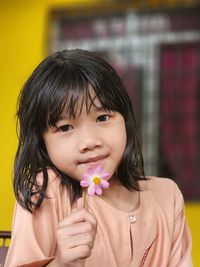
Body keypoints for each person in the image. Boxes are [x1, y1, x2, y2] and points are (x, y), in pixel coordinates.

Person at [5, 49, 193, 267]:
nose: (90, 141)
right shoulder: (45, 192)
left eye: (102, 117)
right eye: (65, 127)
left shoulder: (167, 196)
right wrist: (61, 263)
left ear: (126, 119)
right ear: (42, 141)